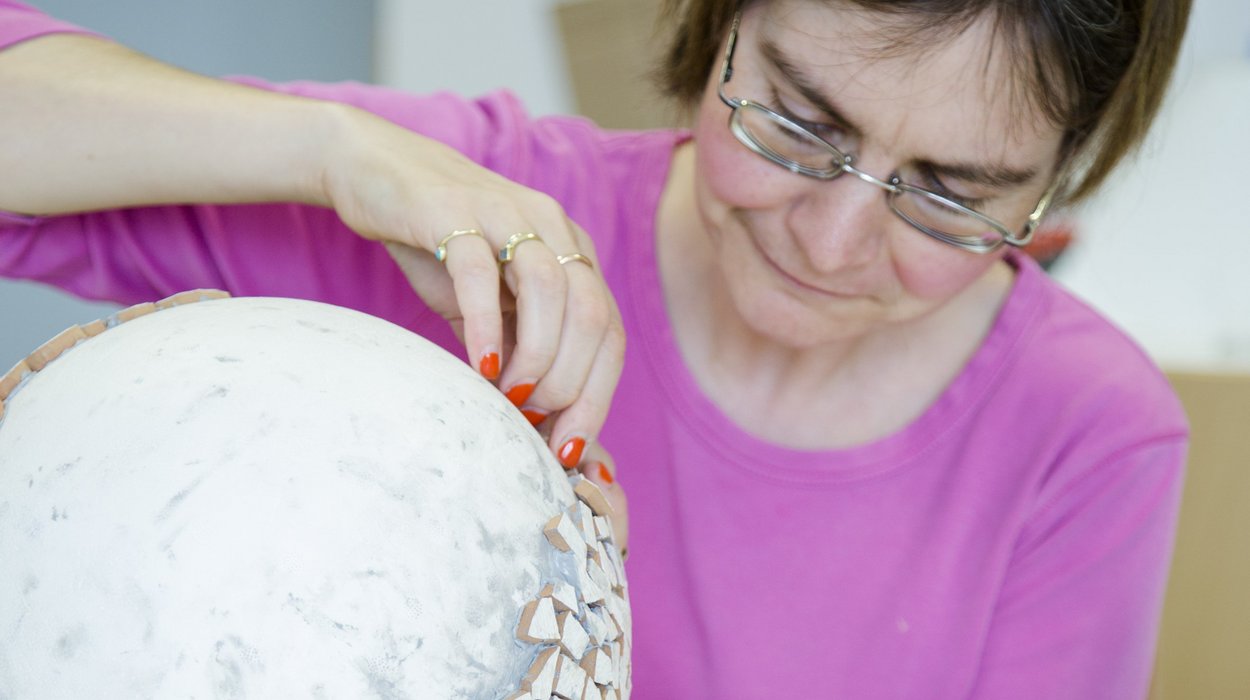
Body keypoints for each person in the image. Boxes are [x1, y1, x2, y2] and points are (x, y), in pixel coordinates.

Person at [0, 0, 1192, 697]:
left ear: (1056, 182)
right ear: (717, 27)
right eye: (796, 121)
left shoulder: (1084, 435)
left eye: (952, 196)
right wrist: (333, 151)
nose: (831, 244)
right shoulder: (464, 217)